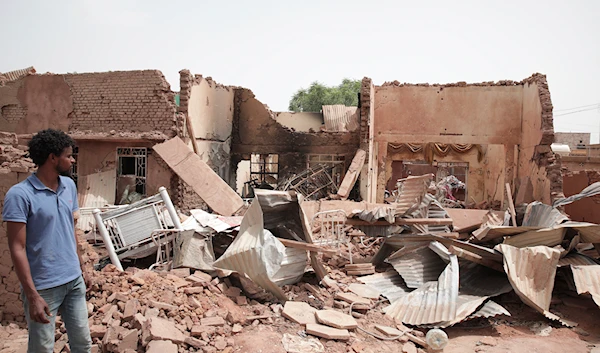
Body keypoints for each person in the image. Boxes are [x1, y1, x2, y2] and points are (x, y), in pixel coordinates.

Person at [2, 129, 92, 353]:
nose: (72, 160)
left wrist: (81, 267)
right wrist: (32, 295)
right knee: (42, 348)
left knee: (83, 344)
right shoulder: (20, 195)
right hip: (43, 287)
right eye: (69, 155)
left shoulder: (69, 186)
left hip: (73, 281)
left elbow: (70, 229)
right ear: (52, 158)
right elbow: (17, 247)